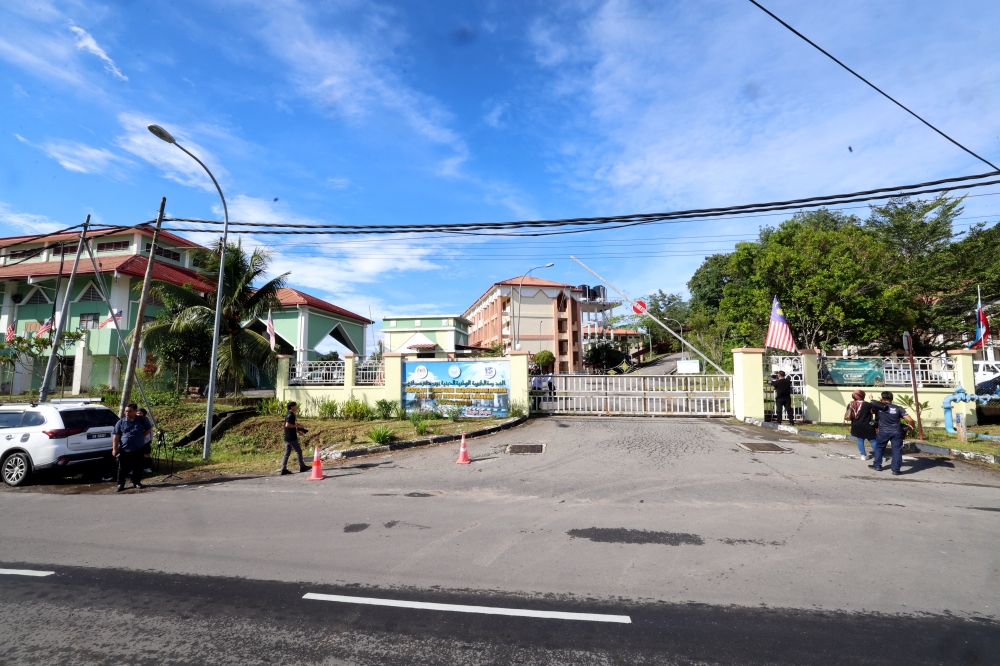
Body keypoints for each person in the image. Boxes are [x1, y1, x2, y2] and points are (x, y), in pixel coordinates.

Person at [869, 391, 916, 475]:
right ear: (892, 399)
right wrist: (912, 425)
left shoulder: (879, 408)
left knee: (879, 448)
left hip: (883, 431)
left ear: (882, 398)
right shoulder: (898, 408)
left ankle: (877, 465)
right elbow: (910, 419)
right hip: (897, 432)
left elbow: (872, 411)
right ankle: (896, 470)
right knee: (897, 451)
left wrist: (874, 400)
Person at [112, 403, 152, 492]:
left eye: (130, 411)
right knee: (122, 468)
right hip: (124, 449)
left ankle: (136, 482)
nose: (127, 413)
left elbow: (148, 429)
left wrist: (141, 437)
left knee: (137, 466)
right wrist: (115, 448)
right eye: (126, 411)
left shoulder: (142, 420)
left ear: (135, 411)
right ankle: (120, 484)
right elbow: (116, 435)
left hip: (138, 448)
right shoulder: (121, 422)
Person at [844, 389, 876, 460]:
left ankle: (863, 455)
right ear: (862, 395)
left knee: (860, 439)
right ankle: (878, 454)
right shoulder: (867, 404)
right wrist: (871, 399)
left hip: (856, 425)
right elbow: (874, 410)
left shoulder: (850, 404)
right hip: (867, 425)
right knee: (872, 440)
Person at [280, 401, 309, 475]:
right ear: (291, 407)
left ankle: (283, 469)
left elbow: (290, 425)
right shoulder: (291, 415)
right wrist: (297, 426)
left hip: (288, 437)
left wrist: (298, 432)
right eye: (295, 406)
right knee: (299, 451)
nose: (296, 407)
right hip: (291, 437)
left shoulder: (289, 414)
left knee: (287, 454)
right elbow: (287, 425)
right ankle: (302, 467)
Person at [137, 407, 154, 474]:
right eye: (137, 413)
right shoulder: (134, 420)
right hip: (137, 441)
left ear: (144, 414)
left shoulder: (147, 420)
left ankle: (146, 467)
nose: (139, 414)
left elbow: (150, 430)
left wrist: (151, 438)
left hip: (146, 440)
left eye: (140, 413)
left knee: (147, 454)